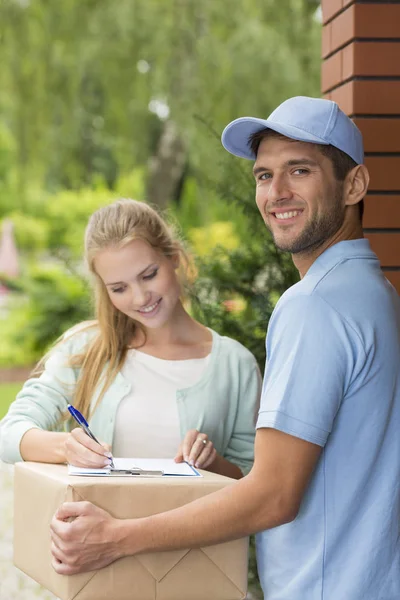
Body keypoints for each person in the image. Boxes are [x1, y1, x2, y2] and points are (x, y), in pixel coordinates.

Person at [49, 97, 400, 600]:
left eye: (299, 170)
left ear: (354, 185)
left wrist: (116, 538)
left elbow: (274, 496)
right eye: (263, 175)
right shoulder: (376, 292)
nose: (276, 193)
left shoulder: (316, 306)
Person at [0, 199, 261, 479]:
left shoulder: (236, 365)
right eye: (119, 288)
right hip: (96, 524)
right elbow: (8, 435)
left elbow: (251, 477)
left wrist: (213, 463)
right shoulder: (84, 349)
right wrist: (67, 448)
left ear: (173, 256)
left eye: (149, 275)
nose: (140, 298)